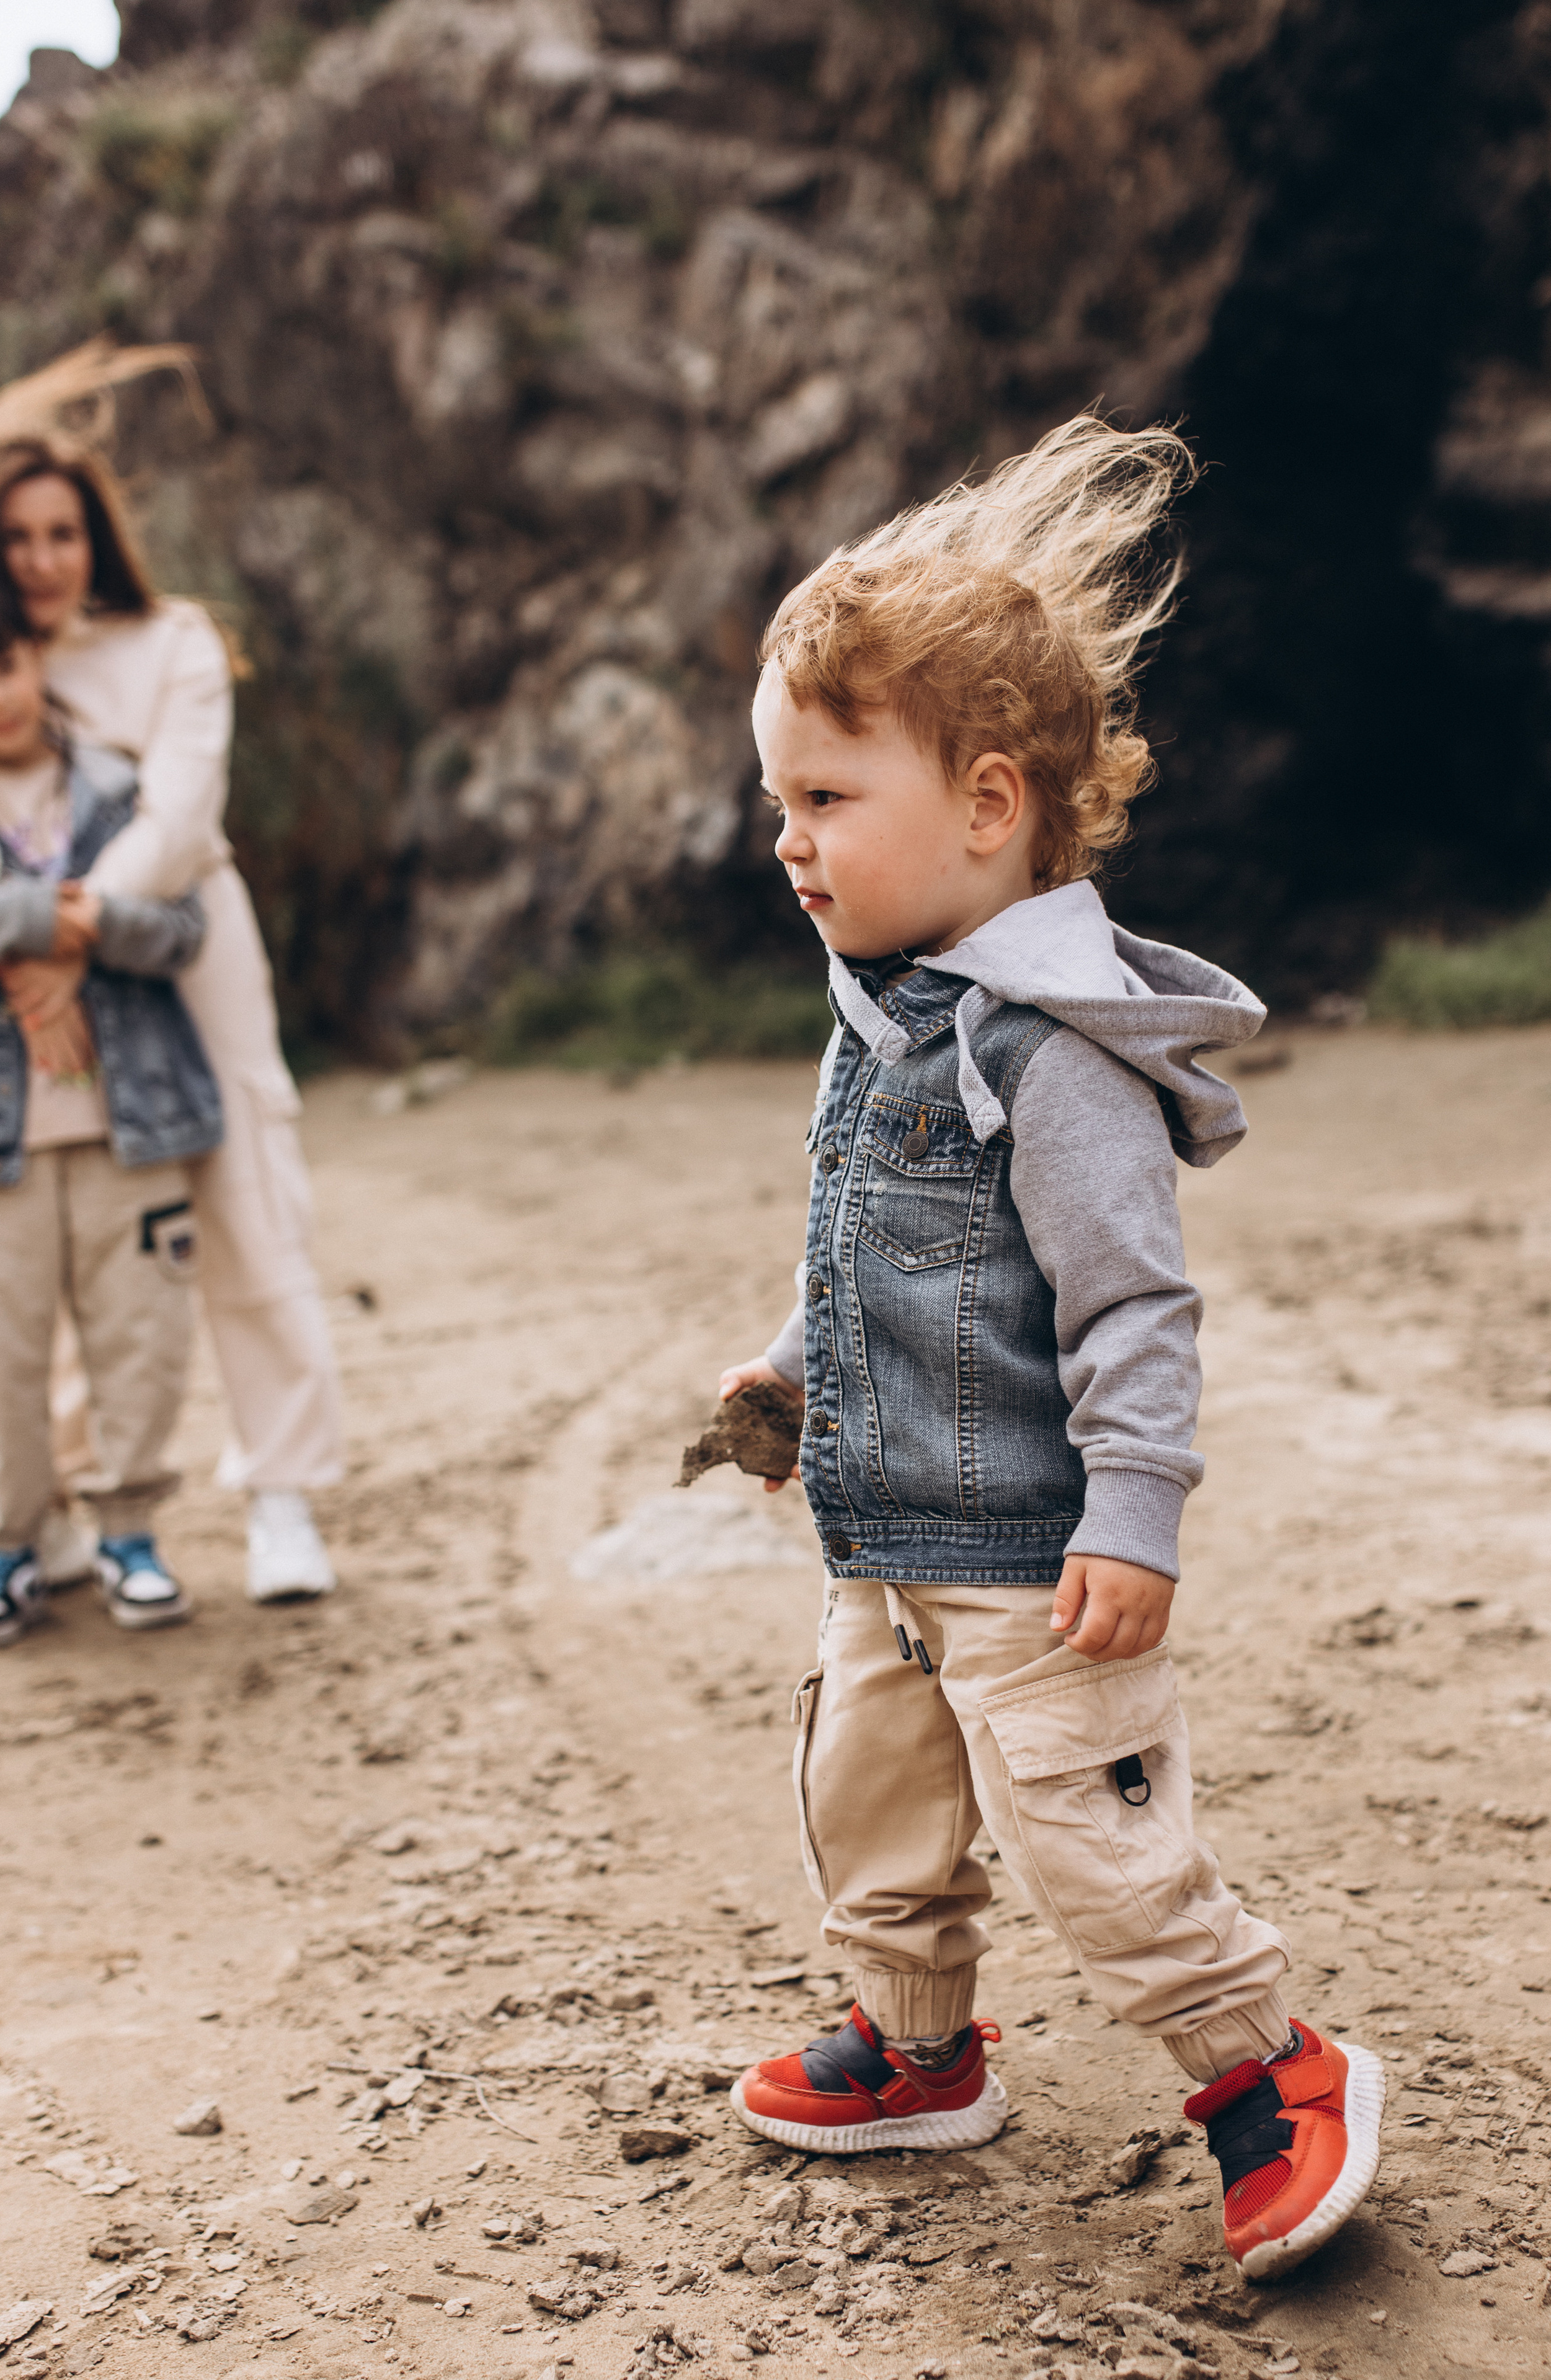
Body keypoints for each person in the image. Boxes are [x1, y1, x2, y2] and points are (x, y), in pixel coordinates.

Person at [715, 416, 1384, 2281]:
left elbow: (1133, 1306)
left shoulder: (1050, 1055)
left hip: (1028, 1557)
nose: (789, 841)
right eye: (782, 801)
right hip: (883, 1540)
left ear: (991, 804)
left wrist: (1139, 1506)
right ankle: (919, 2045)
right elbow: (859, 1250)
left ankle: (1274, 2074)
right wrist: (787, 1371)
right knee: (877, 1796)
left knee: (1095, 1837)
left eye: (829, 800)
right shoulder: (878, 1025)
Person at [0, 342, 343, 1603]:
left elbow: (178, 817)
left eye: (60, 531)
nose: (40, 558)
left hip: (182, 929)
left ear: (94, 534)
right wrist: (34, 947)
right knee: (67, 1210)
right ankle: (63, 1497)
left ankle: (281, 1491)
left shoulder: (172, 638)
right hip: (31, 967)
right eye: (14, 536)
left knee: (240, 1183)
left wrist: (61, 929)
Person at [0, 564, 220, 1646]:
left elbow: (183, 927)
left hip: (133, 1127)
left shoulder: (118, 790)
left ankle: (129, 1533)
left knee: (138, 1340)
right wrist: (41, 922)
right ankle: (4, 1544)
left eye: (6, 663)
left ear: (38, 661)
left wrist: (93, 929)